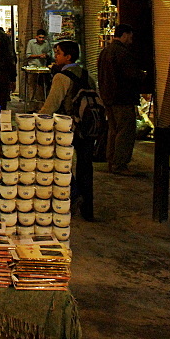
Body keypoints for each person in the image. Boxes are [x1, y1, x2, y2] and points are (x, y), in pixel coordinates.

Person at [40, 39, 95, 221]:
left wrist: (38, 118)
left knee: (60, 163)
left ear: (68, 57)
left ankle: (74, 194)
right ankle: (88, 208)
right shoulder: (87, 75)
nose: (55, 57)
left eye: (58, 53)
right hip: (88, 126)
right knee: (86, 166)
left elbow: (52, 104)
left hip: (68, 126)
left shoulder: (62, 77)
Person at [97, 24, 148, 175]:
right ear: (124, 35)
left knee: (114, 130)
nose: (131, 40)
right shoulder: (122, 53)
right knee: (125, 132)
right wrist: (143, 75)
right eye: (130, 37)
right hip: (122, 98)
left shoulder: (106, 51)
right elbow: (130, 75)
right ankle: (120, 164)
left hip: (109, 98)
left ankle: (112, 161)